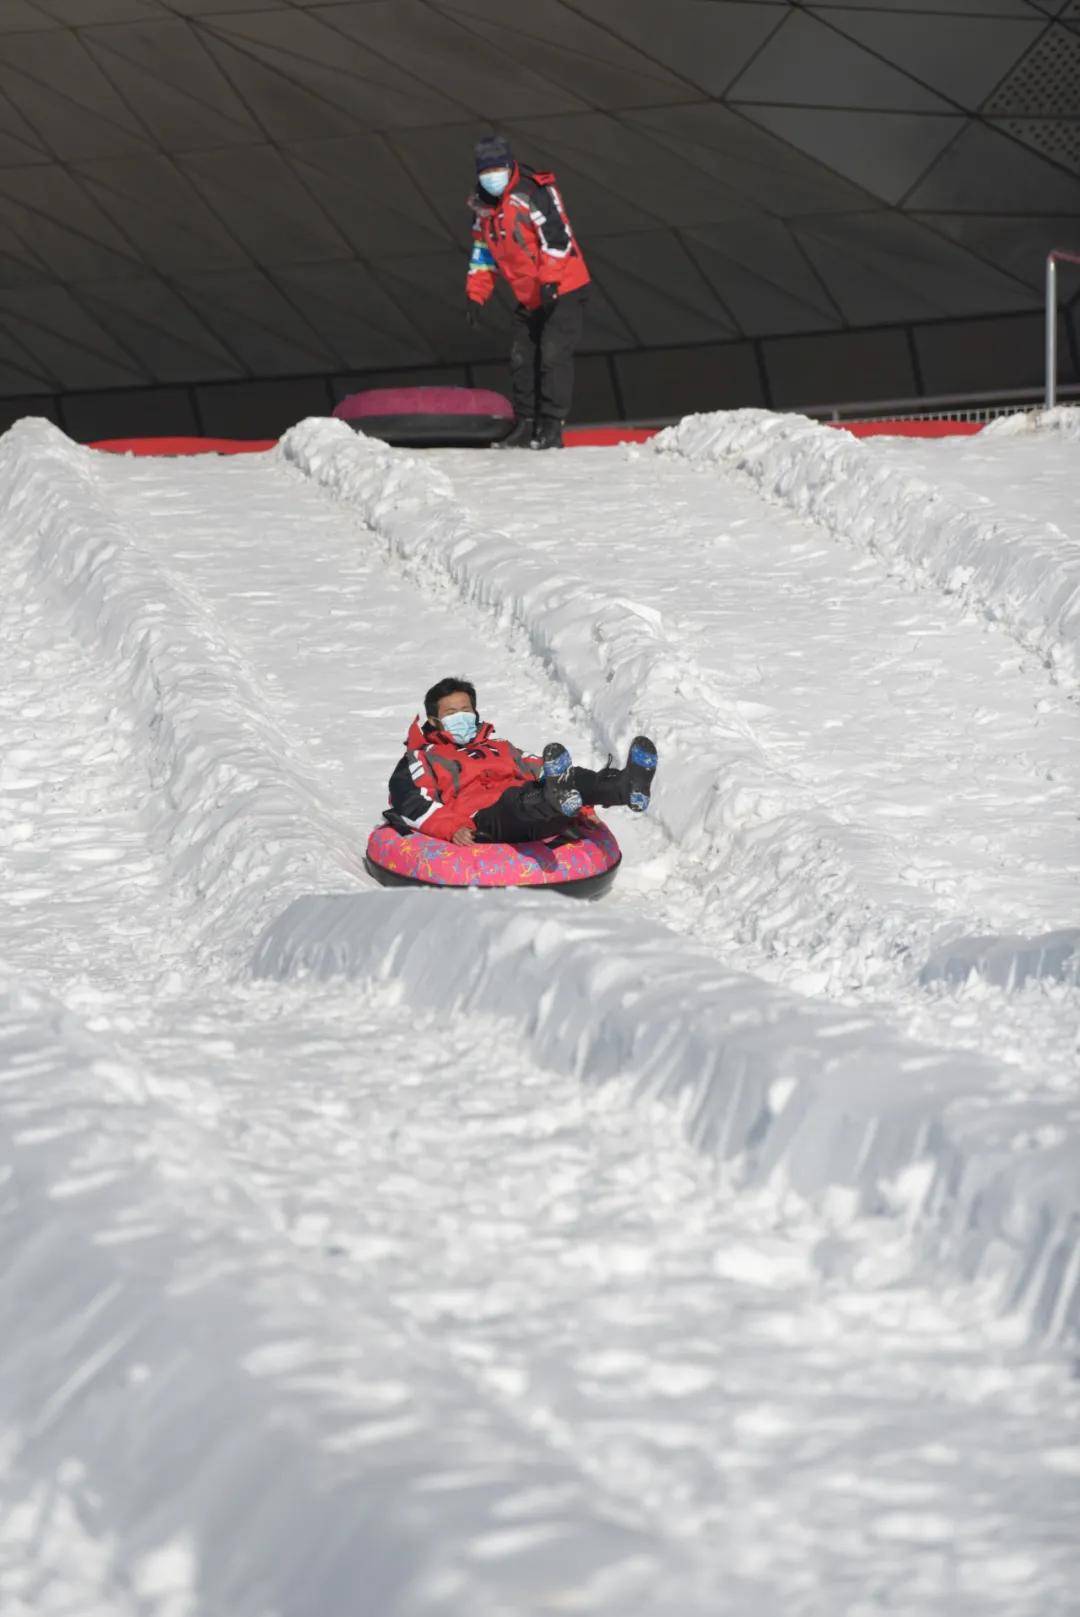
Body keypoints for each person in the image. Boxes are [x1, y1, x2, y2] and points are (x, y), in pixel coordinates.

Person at [388, 676, 658, 846]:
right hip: (486, 818)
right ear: (434, 720)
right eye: (451, 712)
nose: (461, 716)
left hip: (537, 810)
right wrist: (453, 828)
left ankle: (624, 787)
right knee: (518, 800)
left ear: (475, 711)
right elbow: (409, 803)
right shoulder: (423, 756)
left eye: (466, 709)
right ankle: (554, 800)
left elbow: (545, 769)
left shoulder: (498, 746)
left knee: (566, 777)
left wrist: (584, 806)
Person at [465, 133, 591, 451]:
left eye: (498, 169)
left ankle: (551, 426)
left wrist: (550, 281)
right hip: (530, 294)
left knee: (552, 352)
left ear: (509, 166)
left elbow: (557, 236)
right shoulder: (482, 209)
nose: (493, 177)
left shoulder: (531, 191)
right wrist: (475, 295)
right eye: (486, 171)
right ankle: (526, 424)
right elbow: (483, 254)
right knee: (522, 357)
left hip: (563, 286)